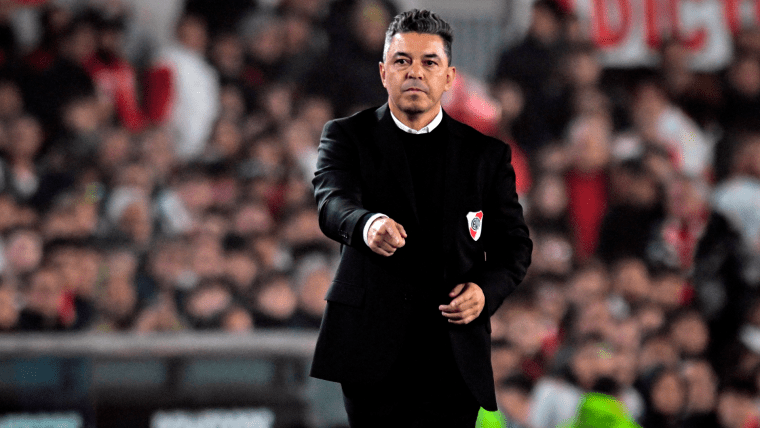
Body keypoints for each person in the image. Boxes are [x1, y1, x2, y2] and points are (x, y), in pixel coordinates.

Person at [310, 9, 532, 427]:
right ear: (383, 73)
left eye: (429, 62)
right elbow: (332, 202)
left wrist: (484, 292)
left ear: (449, 77)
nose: (415, 72)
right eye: (402, 60)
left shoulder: (487, 156)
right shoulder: (346, 137)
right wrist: (366, 225)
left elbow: (514, 248)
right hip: (372, 353)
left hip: (453, 355)